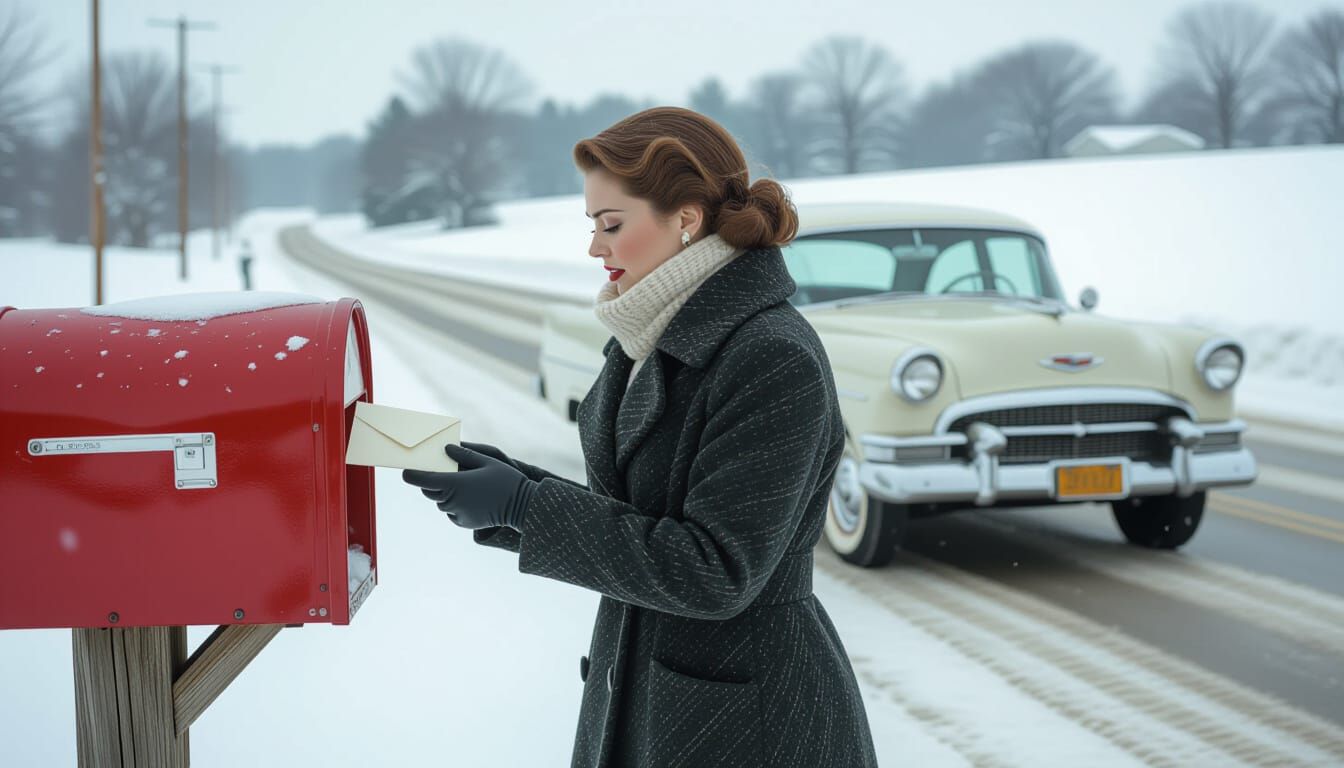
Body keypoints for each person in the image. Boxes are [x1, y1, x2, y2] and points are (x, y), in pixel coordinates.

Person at [403, 106, 879, 768]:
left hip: (749, 721)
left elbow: (715, 572)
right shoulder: (647, 334)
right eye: (593, 226)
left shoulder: (770, 356)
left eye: (611, 225)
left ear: (685, 218)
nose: (594, 247)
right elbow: (644, 519)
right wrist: (518, 487)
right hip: (649, 692)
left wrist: (526, 507)